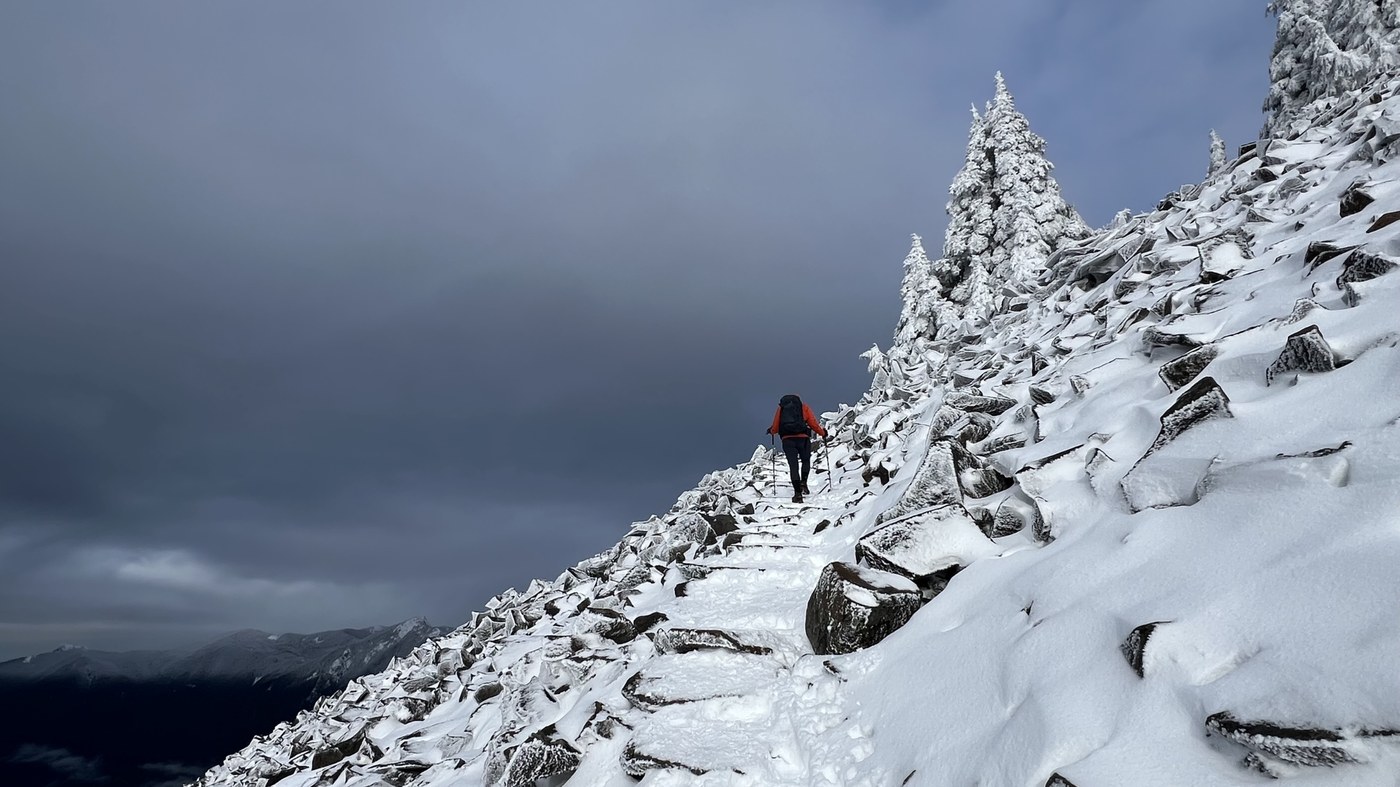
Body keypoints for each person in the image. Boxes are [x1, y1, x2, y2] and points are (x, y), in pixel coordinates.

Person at [766, 394, 828, 503]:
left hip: (787, 440)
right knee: (805, 460)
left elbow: (776, 426)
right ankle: (803, 483)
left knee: (793, 465)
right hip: (803, 439)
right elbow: (813, 423)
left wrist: (771, 431)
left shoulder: (781, 408)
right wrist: (822, 433)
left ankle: (798, 494)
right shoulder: (804, 407)